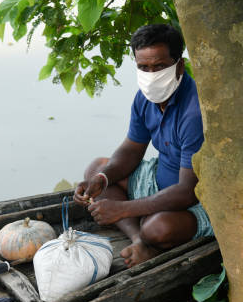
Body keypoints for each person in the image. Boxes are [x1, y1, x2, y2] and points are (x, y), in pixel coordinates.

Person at [73, 24, 214, 267]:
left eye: (159, 66)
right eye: (143, 67)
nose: (151, 74)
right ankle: (139, 240)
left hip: (198, 200)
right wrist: (102, 179)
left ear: (179, 66)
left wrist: (123, 209)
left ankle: (148, 237)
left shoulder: (194, 111)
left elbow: (188, 191)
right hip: (159, 181)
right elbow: (131, 150)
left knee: (158, 228)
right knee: (97, 168)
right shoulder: (144, 98)